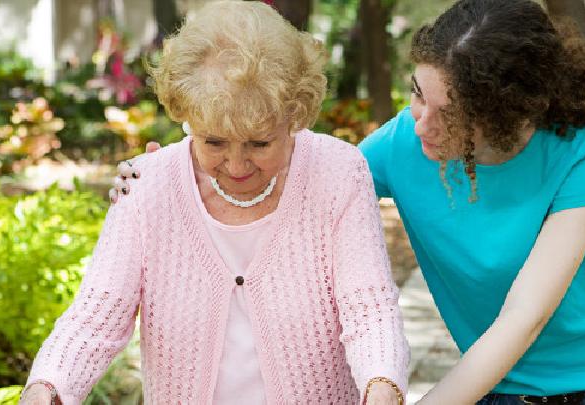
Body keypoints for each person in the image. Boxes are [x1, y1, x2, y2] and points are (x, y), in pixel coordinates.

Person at [114, 0, 585, 403]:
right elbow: (307, 185)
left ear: (504, 113)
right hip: (495, 389)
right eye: (417, 95)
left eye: (448, 114)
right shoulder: (405, 141)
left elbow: (524, 316)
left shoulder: (581, 152)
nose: (420, 123)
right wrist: (178, 178)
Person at [20, 2, 410, 404]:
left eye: (259, 143)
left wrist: (382, 385)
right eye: (214, 142)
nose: (237, 165)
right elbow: (95, 318)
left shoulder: (339, 173)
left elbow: (368, 308)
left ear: (294, 116)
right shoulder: (146, 187)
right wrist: (48, 386)